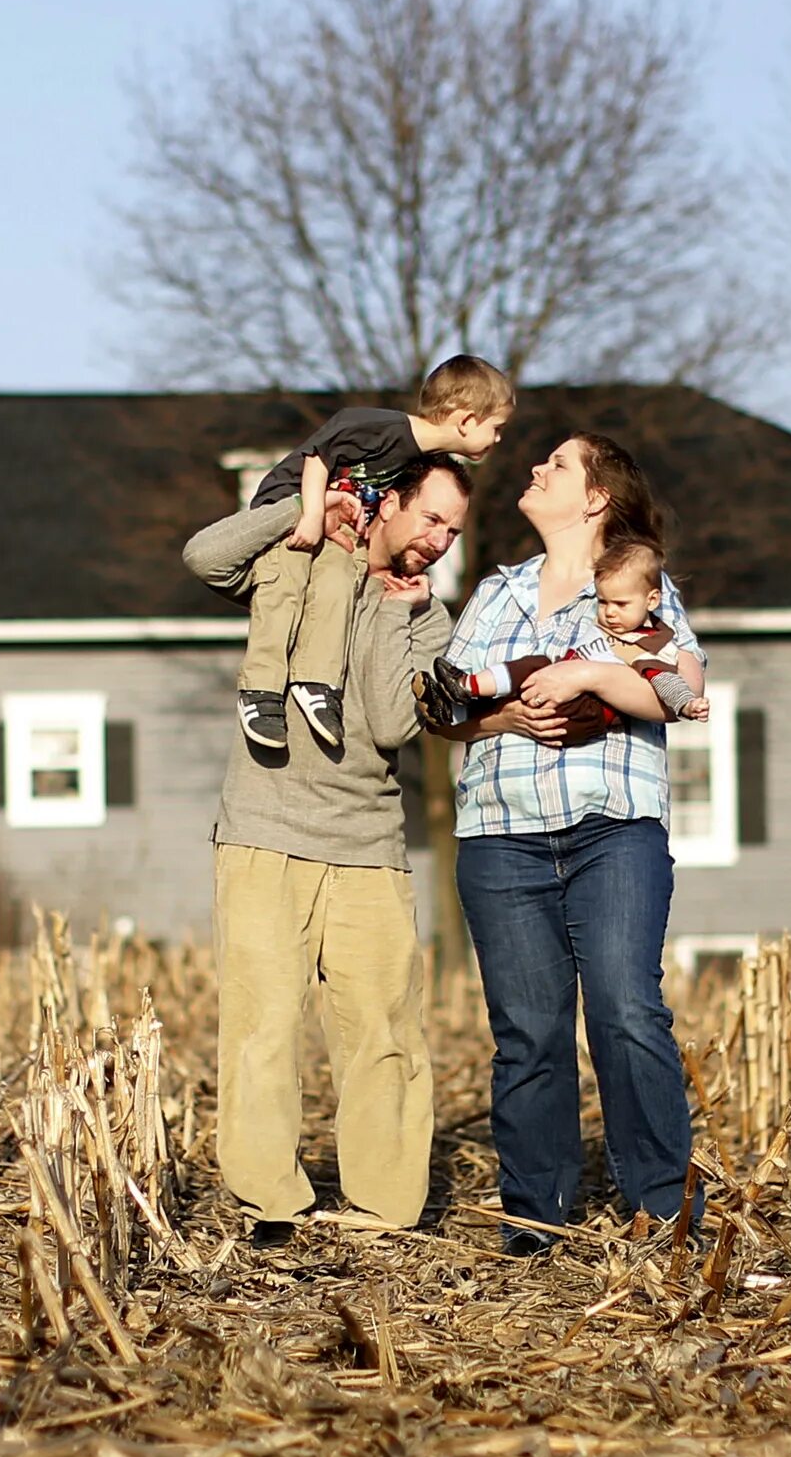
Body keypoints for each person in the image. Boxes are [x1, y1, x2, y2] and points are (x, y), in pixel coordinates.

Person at [426, 434, 705, 1256]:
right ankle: (536, 1215)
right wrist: (504, 716)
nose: (536, 470)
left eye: (556, 465)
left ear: (594, 498)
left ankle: (660, 1204)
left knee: (625, 1009)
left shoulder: (638, 589)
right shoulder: (494, 593)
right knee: (528, 1031)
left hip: (611, 826)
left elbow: (681, 692)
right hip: (500, 833)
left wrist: (585, 676)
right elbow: (445, 707)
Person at [183, 449, 471, 1245]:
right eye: (432, 517)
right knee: (263, 1026)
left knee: (383, 1034)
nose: (441, 540)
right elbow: (205, 556)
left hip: (369, 846)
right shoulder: (297, 556)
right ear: (387, 503)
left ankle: (384, 1209)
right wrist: (307, 513)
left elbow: (385, 723)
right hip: (264, 832)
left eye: (454, 529)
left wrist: (403, 611)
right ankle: (269, 1200)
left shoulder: (429, 618)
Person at [236, 356, 512, 754]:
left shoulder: (412, 462)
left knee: (335, 584)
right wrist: (310, 515)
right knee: (286, 596)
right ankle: (261, 691)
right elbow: (318, 457)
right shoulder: (381, 428)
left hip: (333, 531)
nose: (499, 439)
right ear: (467, 421)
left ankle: (314, 684)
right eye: (496, 428)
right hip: (291, 514)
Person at [423, 534, 708, 723]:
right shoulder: (602, 625)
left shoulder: (647, 646)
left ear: (652, 600)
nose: (609, 612)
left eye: (620, 604)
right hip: (554, 682)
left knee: (563, 698)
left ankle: (467, 698)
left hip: (585, 710)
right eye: (603, 602)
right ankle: (464, 687)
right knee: (535, 664)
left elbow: (667, 682)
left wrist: (687, 705)